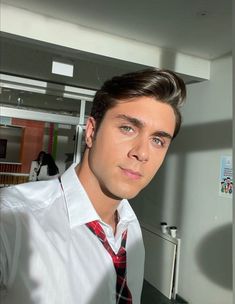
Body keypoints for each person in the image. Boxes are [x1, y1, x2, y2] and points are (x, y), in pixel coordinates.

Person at [0, 68, 186, 304]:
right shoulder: (12, 219)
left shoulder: (131, 228)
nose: (141, 153)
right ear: (90, 132)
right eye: (127, 128)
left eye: (157, 140)